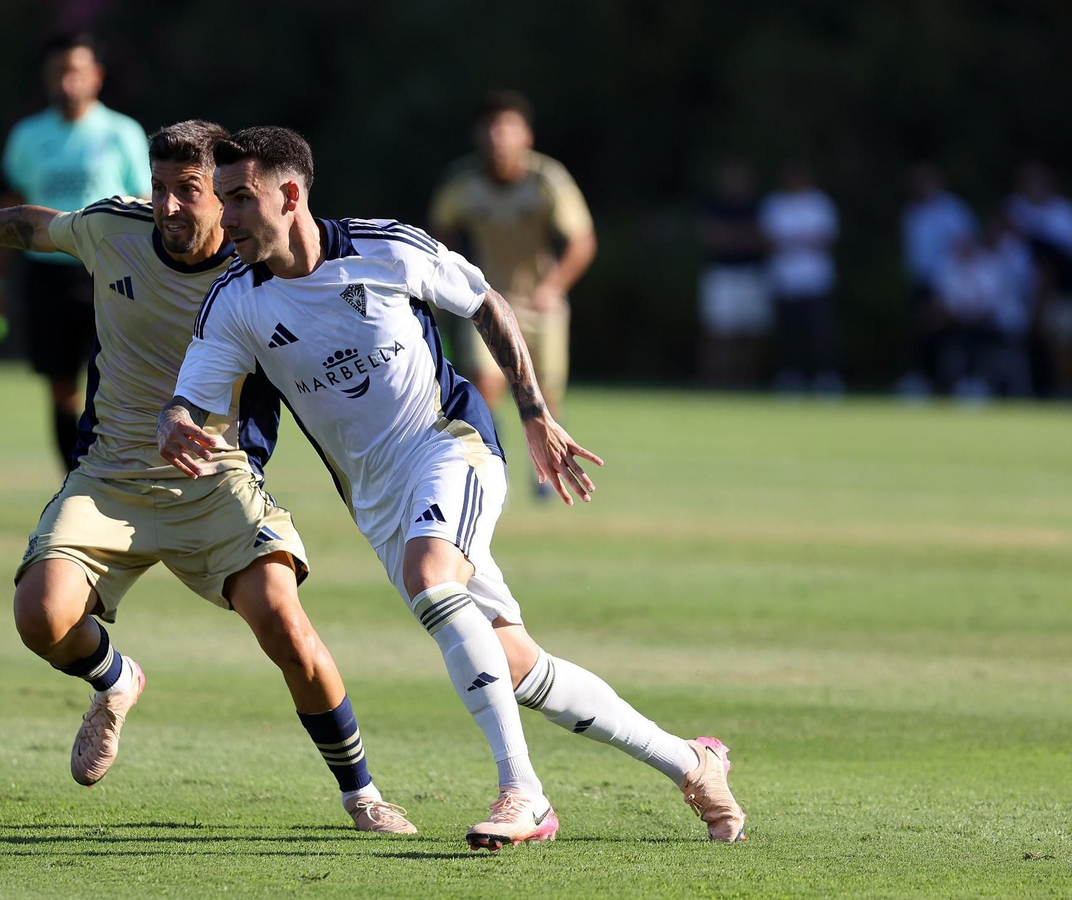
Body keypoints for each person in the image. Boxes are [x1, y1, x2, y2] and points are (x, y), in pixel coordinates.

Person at [159, 127, 746, 850]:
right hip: (376, 501)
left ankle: (523, 794)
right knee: (516, 663)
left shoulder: (384, 248)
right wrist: (176, 422)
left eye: (240, 199)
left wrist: (533, 412)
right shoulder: (235, 300)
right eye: (223, 201)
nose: (229, 218)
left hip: (451, 444)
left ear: (291, 194)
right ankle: (694, 764)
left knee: (433, 578)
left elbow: (487, 304)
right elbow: (193, 395)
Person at [0, 121, 414, 834]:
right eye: (159, 187)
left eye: (187, 191)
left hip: (217, 479)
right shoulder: (112, 229)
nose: (166, 206)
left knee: (286, 627)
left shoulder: (256, 264)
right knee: (39, 618)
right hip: (111, 475)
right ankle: (115, 681)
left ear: (225, 197)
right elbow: (32, 224)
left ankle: (363, 796)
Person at [0, 33, 152, 468]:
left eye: (75, 71)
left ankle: (121, 472)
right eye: (58, 72)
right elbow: (9, 216)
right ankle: (74, 477)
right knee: (61, 387)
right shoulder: (27, 136)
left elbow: (148, 208)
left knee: (118, 380)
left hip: (110, 273)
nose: (66, 81)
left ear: (96, 76)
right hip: (48, 275)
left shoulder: (122, 133)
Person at [429, 91, 595, 497]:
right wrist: (449, 286)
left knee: (546, 395)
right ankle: (490, 462)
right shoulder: (463, 183)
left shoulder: (546, 180)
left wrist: (552, 287)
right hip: (486, 301)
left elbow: (582, 240)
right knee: (486, 385)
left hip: (542, 304)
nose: (497, 136)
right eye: (490, 127)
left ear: (527, 136)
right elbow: (437, 235)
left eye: (506, 127)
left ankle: (546, 471)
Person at [1007, 163, 1072, 399]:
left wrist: (1058, 280)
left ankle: (1071, 391)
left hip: (1066, 292)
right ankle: (1049, 390)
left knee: (1068, 342)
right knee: (1044, 344)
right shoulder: (1017, 210)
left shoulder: (1066, 214)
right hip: (1029, 292)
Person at [759, 162, 842, 395]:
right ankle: (791, 376)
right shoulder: (775, 204)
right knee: (789, 332)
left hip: (816, 281)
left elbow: (826, 240)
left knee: (820, 332)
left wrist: (792, 242)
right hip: (785, 281)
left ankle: (825, 377)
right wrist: (802, 241)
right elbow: (768, 240)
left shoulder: (820, 203)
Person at [900, 163, 978, 396]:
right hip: (920, 281)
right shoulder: (913, 212)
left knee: (949, 332)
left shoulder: (954, 210)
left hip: (948, 282)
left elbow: (966, 244)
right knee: (921, 331)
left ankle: (960, 379)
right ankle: (922, 378)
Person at [697, 159, 771, 388]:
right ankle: (716, 385)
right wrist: (743, 237)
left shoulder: (758, 206)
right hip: (722, 275)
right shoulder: (714, 205)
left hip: (751, 274)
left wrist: (733, 237)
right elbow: (713, 237)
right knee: (719, 334)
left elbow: (764, 239)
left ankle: (746, 386)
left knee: (751, 334)